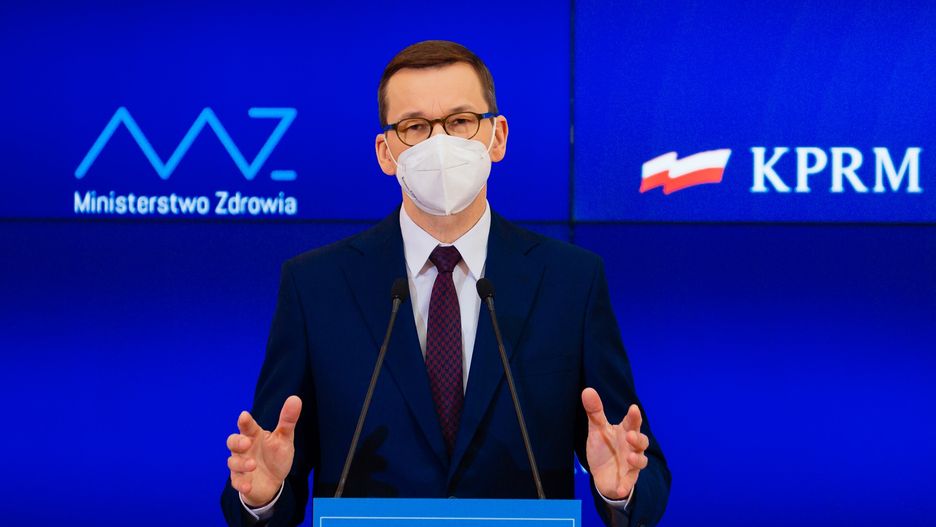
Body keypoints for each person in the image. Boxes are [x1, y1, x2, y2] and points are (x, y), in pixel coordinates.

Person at [221, 40, 670, 527]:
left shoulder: (571, 281)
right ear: (386, 152)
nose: (439, 144)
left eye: (460, 121)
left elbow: (640, 467)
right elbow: (269, 468)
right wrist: (263, 496)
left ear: (497, 137)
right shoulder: (315, 286)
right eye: (414, 127)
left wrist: (621, 491)